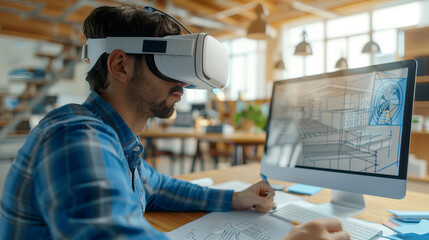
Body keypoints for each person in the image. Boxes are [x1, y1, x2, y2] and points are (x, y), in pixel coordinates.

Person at [0, 5, 350, 240]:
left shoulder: (115, 140)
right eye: (169, 67)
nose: (182, 85)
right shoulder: (76, 137)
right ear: (120, 66)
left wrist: (235, 200)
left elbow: (157, 187)